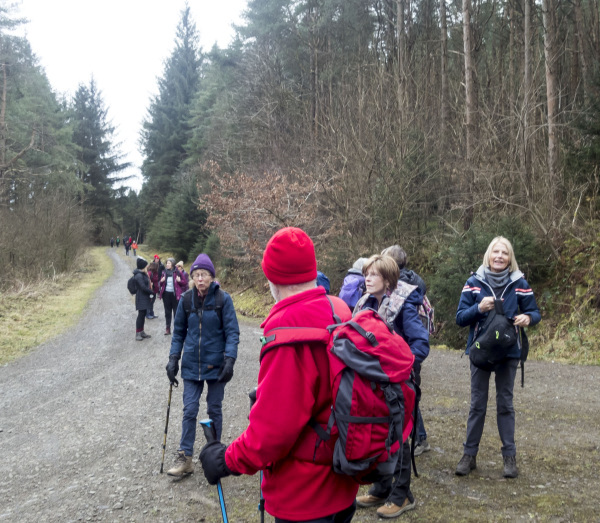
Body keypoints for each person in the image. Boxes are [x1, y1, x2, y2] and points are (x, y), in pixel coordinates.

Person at [199, 227, 359, 522]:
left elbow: (272, 434)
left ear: (273, 278)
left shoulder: (287, 333)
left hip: (304, 497)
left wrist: (224, 460)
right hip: (343, 483)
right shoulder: (339, 311)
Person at [455, 236, 540, 479]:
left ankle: (509, 457)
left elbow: (534, 312)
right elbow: (460, 318)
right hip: (480, 352)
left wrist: (528, 318)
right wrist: (479, 308)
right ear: (488, 256)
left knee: (505, 404)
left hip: (509, 351)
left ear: (510, 257)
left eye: (505, 253)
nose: (500, 256)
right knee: (477, 405)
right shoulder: (473, 282)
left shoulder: (520, 282)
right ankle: (469, 456)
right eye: (496, 252)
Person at [353, 255, 418, 519]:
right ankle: (381, 488)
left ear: (388, 279)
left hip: (399, 381)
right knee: (381, 432)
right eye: (366, 274)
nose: (367, 279)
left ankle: (402, 495)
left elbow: (419, 343)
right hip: (373, 379)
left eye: (374, 275)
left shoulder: (405, 302)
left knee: (400, 438)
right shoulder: (363, 302)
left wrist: (401, 369)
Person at [165, 253, 240, 479]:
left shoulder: (223, 300)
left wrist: (230, 359)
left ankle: (215, 458)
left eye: (204, 275)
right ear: (192, 278)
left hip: (216, 365)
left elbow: (232, 332)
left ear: (211, 277)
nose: (200, 279)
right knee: (189, 410)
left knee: (214, 409)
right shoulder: (186, 300)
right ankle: (185, 457)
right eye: (196, 275)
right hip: (191, 364)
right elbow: (178, 332)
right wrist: (173, 359)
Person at [381, 245, 431, 456]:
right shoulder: (416, 280)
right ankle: (414, 438)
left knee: (405, 396)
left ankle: (417, 439)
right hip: (409, 352)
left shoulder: (398, 289)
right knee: (408, 395)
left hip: (403, 353)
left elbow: (414, 331)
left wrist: (407, 358)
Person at [160, 258, 188, 335]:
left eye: (169, 263)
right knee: (167, 312)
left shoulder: (178, 272)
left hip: (175, 295)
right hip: (166, 295)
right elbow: (161, 284)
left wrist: (179, 281)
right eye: (167, 263)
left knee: (176, 312)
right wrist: (161, 281)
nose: (167, 265)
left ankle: (177, 329)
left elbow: (185, 282)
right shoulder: (164, 272)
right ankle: (167, 328)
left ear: (172, 264)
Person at [132, 257, 154, 341]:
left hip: (144, 297)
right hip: (141, 298)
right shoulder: (138, 275)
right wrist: (151, 292)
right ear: (143, 266)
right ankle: (138, 333)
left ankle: (142, 331)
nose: (147, 267)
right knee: (140, 315)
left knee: (143, 314)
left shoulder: (143, 274)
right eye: (146, 266)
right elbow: (143, 287)